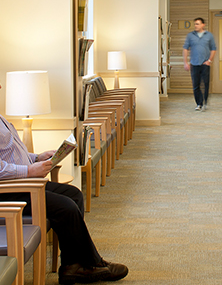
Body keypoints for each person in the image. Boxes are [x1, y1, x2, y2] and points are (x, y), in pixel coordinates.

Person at [0, 85, 128, 284]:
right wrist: (29, 171)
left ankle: (72, 265)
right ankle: (92, 263)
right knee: (66, 207)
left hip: (23, 183)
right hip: (11, 191)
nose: (0, 86)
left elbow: (9, 153)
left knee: (74, 194)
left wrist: (35, 158)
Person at [182, 17, 217, 111]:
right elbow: (185, 48)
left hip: (205, 64)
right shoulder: (190, 36)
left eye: (197, 24)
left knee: (205, 84)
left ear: (203, 25)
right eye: (195, 24)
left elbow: (213, 48)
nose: (196, 26)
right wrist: (185, 62)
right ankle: (199, 103)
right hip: (194, 64)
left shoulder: (209, 35)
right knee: (196, 85)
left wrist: (209, 60)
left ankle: (205, 101)